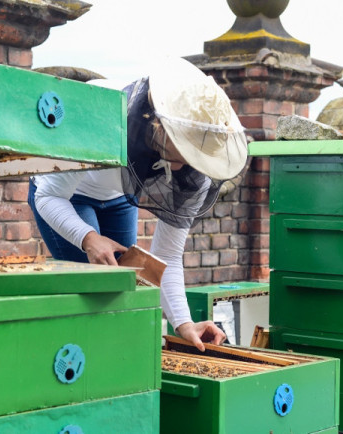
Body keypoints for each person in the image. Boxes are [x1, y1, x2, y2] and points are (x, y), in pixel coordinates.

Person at [29, 58, 248, 351]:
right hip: (64, 193)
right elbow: (48, 196)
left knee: (125, 293)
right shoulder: (102, 113)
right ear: (160, 124)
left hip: (118, 198)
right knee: (99, 296)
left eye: (196, 157)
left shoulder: (198, 167)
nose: (185, 165)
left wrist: (183, 324)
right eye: (182, 149)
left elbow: (167, 255)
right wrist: (88, 239)